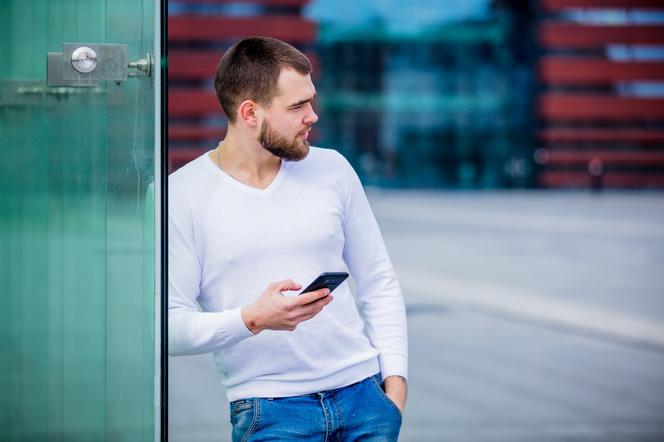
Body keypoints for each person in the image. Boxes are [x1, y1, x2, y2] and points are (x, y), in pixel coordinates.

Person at [169, 36, 408, 441]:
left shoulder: (333, 169)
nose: (312, 116)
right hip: (271, 413)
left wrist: (395, 386)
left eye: (310, 101)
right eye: (297, 106)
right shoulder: (181, 194)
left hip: (366, 401)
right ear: (249, 112)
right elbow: (169, 328)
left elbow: (378, 281)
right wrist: (253, 319)